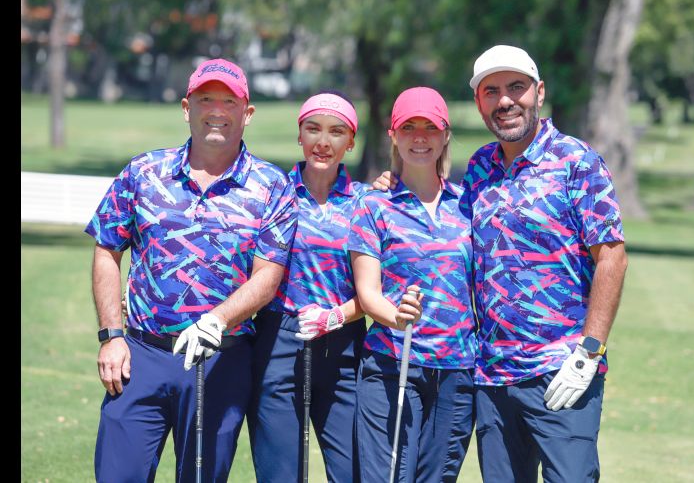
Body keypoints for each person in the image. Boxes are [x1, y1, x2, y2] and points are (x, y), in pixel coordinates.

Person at [373, 45, 629, 482]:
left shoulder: (576, 161)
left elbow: (612, 258)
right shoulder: (479, 169)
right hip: (492, 375)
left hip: (562, 369)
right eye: (491, 91)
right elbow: (438, 215)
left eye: (516, 88)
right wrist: (394, 183)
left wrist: (589, 352)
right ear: (479, 103)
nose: (505, 100)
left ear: (539, 92)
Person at [87, 58, 298, 483]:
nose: (217, 110)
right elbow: (107, 249)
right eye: (205, 99)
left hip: (221, 361)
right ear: (187, 108)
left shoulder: (272, 186)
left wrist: (216, 321)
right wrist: (111, 336)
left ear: (247, 113)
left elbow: (268, 275)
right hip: (140, 357)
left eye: (229, 101)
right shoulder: (144, 172)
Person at [349, 86, 477, 483]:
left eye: (430, 127)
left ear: (445, 135)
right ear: (393, 135)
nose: (420, 137)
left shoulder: (468, 204)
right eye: (409, 127)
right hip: (393, 365)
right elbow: (368, 292)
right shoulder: (373, 205)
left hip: (457, 370)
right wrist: (398, 317)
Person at [246, 90, 369, 483]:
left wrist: (338, 316)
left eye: (336, 132)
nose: (323, 141)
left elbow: (379, 287)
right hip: (278, 342)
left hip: (344, 345)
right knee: (281, 475)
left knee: (354, 473)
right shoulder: (271, 194)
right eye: (313, 129)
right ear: (299, 135)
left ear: (351, 142)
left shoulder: (368, 202)